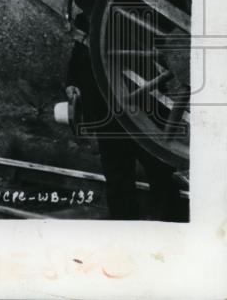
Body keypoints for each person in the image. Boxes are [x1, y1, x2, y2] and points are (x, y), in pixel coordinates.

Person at [64, 13, 185, 221]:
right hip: (108, 110)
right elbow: (78, 53)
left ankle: (167, 221)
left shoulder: (138, 14)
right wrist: (71, 82)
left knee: (158, 167)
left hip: (143, 106)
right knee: (118, 172)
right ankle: (126, 222)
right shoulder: (86, 19)